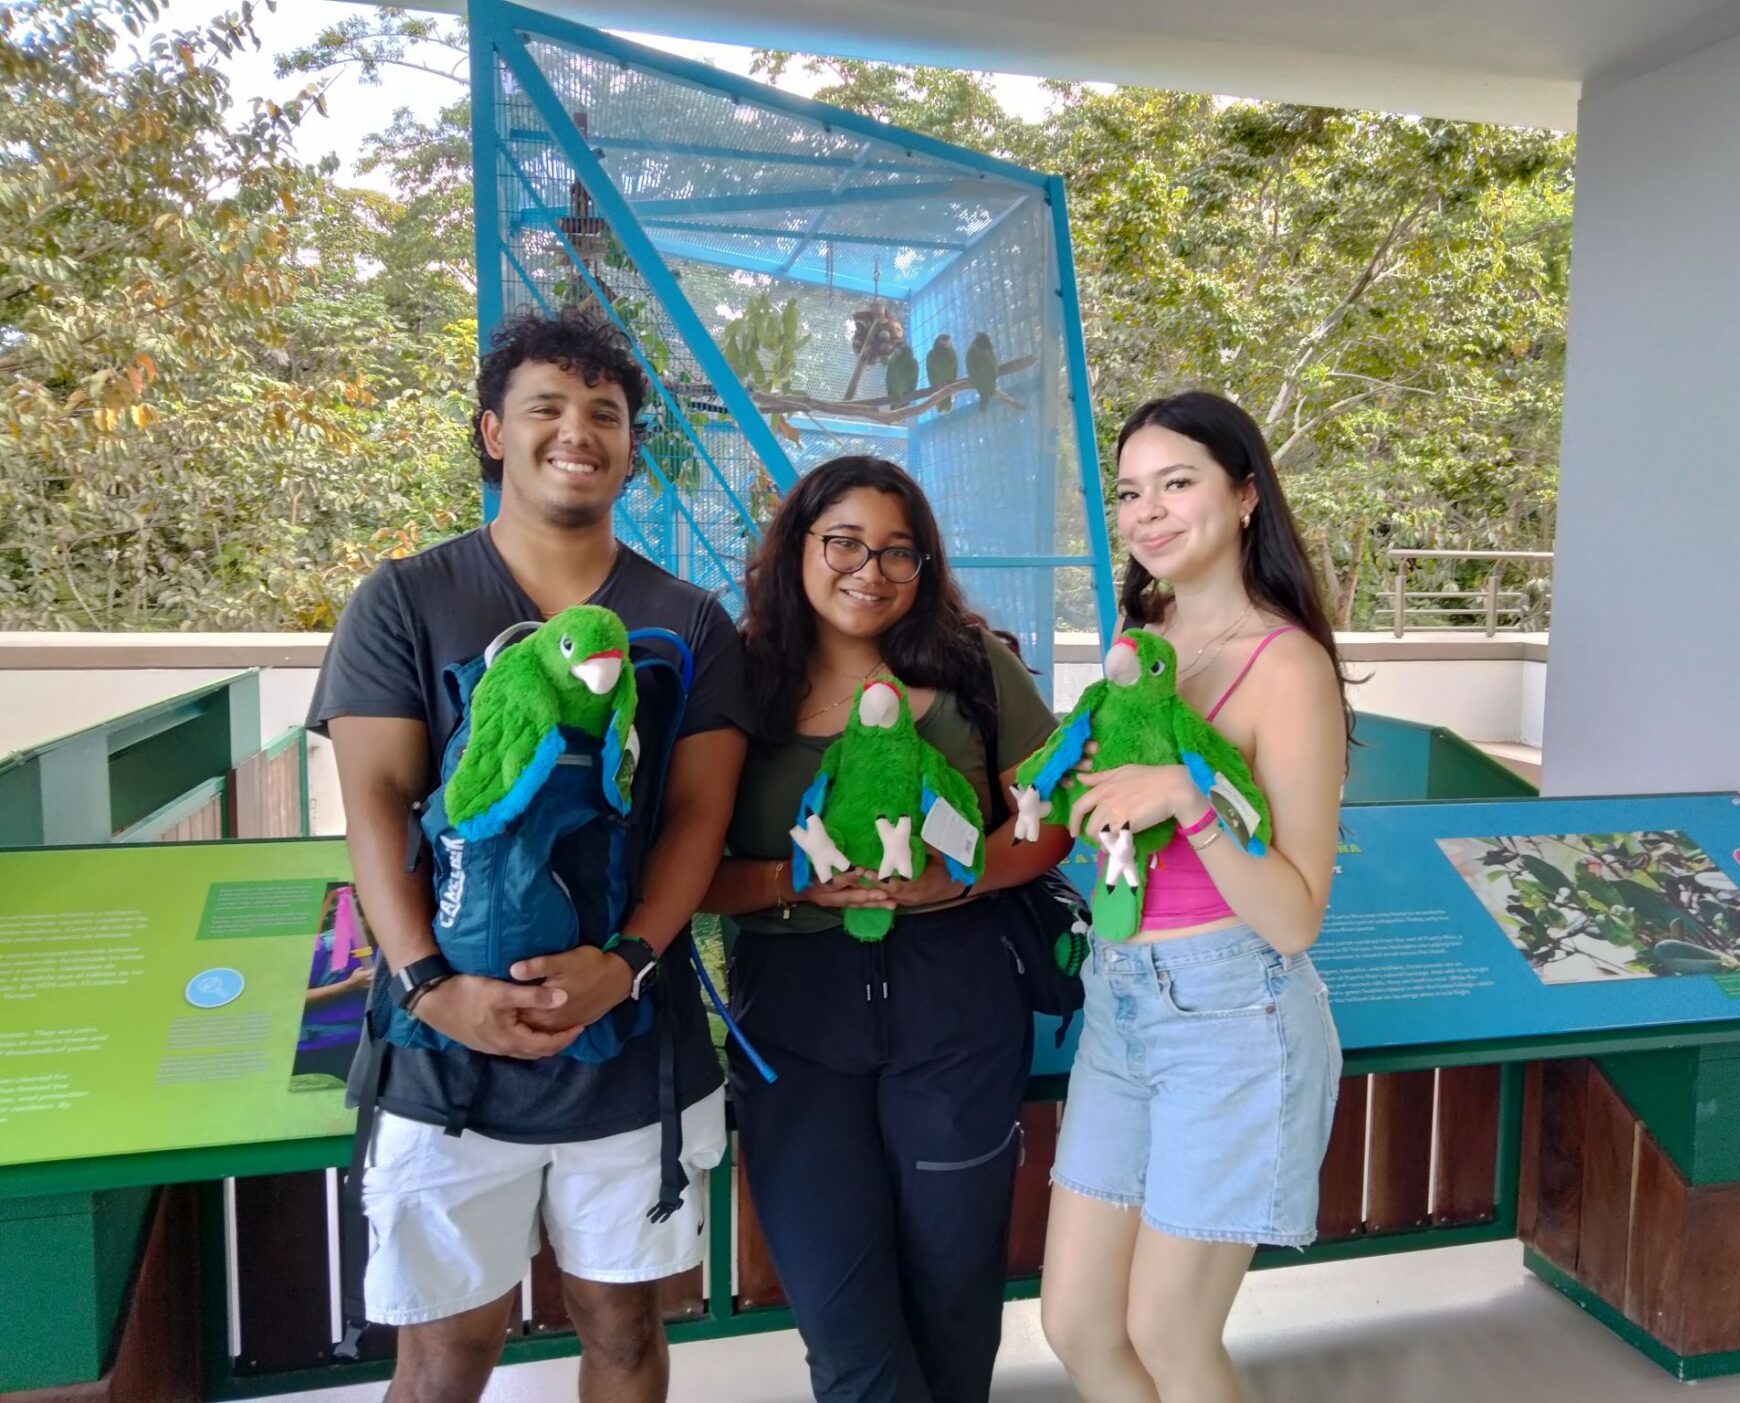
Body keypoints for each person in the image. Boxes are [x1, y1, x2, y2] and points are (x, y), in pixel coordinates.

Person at [308, 309, 748, 1403]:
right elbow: (375, 800)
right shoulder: (407, 600)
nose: (578, 431)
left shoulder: (686, 620)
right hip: (444, 1049)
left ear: (632, 447)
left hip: (629, 1039)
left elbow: (695, 816)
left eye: (605, 413)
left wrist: (629, 960)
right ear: (493, 432)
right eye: (547, 406)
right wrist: (429, 983)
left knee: (626, 1327)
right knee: (446, 1346)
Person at [701, 455, 1074, 1402]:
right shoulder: (737, 681)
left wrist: (957, 878)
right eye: (845, 543)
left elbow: (1054, 817)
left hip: (956, 1014)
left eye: (897, 552)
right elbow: (685, 874)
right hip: (795, 1025)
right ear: (797, 548)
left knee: (952, 1319)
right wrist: (796, 884)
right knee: (850, 1331)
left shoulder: (973, 669)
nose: (869, 570)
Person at [1039, 391, 1350, 1403]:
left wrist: (1190, 801)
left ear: (1245, 494)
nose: (1149, 511)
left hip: (1232, 1012)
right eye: (1132, 491)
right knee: (1078, 1323)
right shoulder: (1144, 629)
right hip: (1121, 997)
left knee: (1169, 1332)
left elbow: (1296, 912)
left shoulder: (1287, 664)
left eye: (1178, 483)